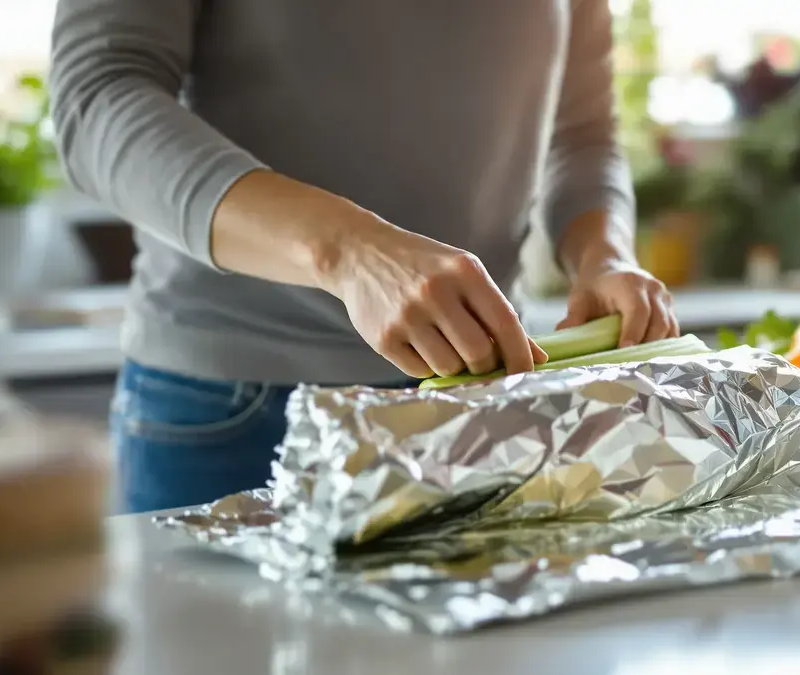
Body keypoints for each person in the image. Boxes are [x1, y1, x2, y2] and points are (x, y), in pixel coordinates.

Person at [48, 1, 679, 514]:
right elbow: (97, 95)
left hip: (480, 401)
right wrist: (346, 250)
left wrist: (603, 255)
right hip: (227, 407)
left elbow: (582, 135)